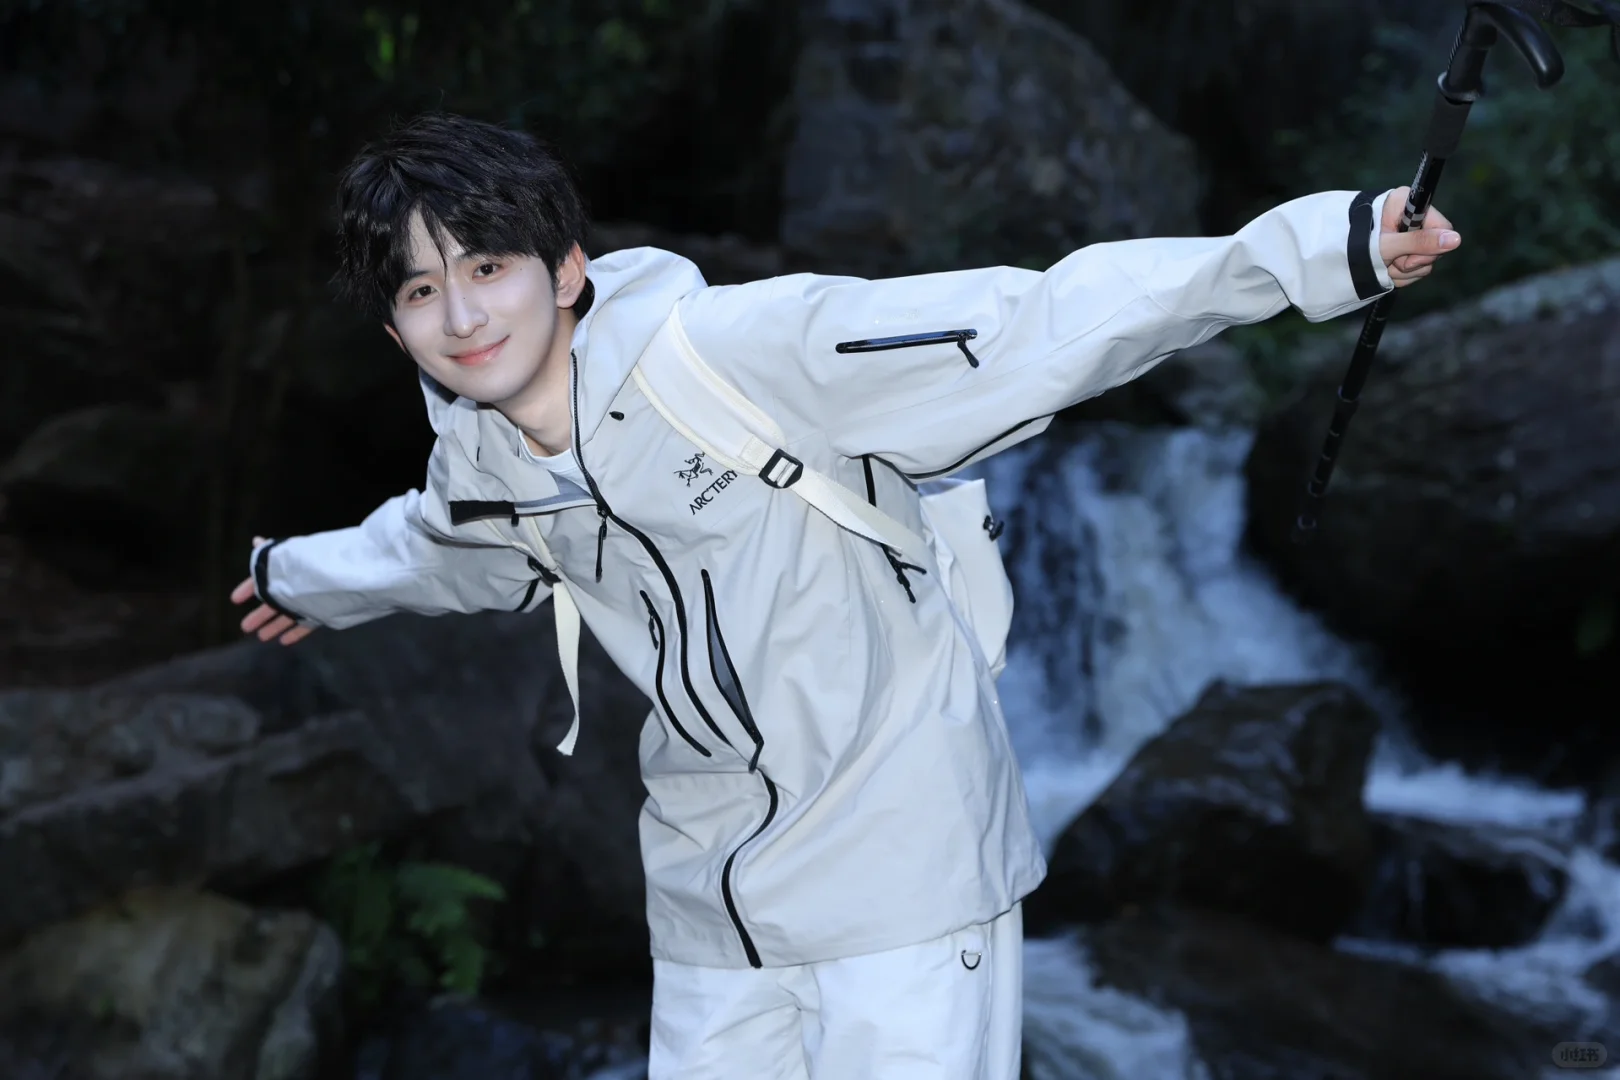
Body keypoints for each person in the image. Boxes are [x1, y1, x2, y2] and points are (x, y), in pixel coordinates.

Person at [231, 111, 1460, 1079]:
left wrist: (1321, 249)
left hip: (903, 878)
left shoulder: (740, 354)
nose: (460, 315)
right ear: (394, 334)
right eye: (419, 291)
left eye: (487, 266)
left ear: (565, 271)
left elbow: (1033, 323)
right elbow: (430, 551)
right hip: (711, 909)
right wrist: (301, 579)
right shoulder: (485, 469)